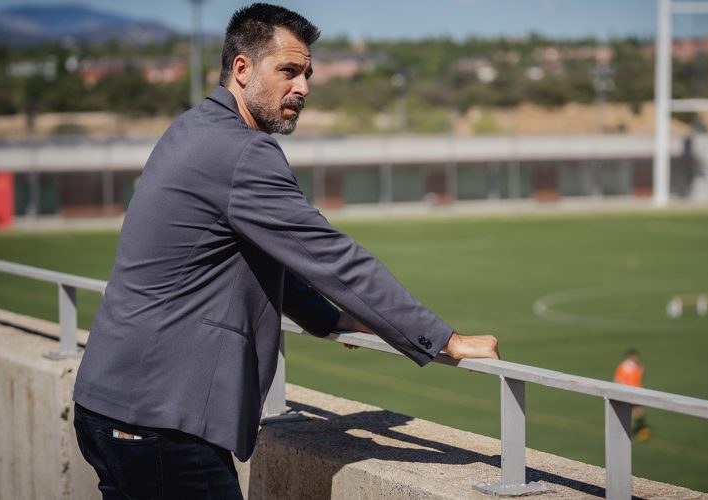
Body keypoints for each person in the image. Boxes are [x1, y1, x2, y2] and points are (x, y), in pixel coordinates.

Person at [71, 3, 499, 498]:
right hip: (161, 420)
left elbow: (260, 254)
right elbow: (331, 257)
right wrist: (441, 338)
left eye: (308, 74)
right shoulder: (243, 152)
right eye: (289, 71)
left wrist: (329, 318)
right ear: (242, 68)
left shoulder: (191, 128)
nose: (304, 88)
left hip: (110, 405)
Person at [613, 348, 650, 442]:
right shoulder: (629, 366)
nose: (637, 358)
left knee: (637, 414)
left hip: (629, 393)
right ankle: (640, 433)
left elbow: (617, 380)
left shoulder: (630, 366)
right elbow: (619, 380)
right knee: (637, 413)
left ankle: (640, 432)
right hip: (632, 393)